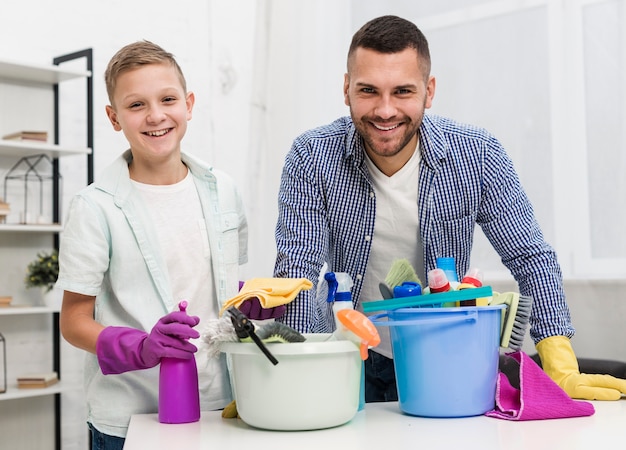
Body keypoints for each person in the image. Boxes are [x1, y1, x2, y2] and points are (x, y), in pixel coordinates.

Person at [274, 15, 626, 403]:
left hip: (446, 356)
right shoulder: (311, 156)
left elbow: (531, 257)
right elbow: (298, 271)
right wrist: (293, 362)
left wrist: (559, 363)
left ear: (430, 90)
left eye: (403, 91)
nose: (385, 110)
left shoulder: (476, 154)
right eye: (369, 90)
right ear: (346, 89)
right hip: (346, 356)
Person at [56, 40, 248, 448]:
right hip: (130, 419)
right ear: (114, 118)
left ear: (189, 104)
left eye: (167, 99)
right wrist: (140, 347)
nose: (156, 116)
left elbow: (225, 288)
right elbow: (73, 321)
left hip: (222, 406)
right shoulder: (95, 207)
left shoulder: (223, 189)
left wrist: (254, 304)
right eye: (136, 105)